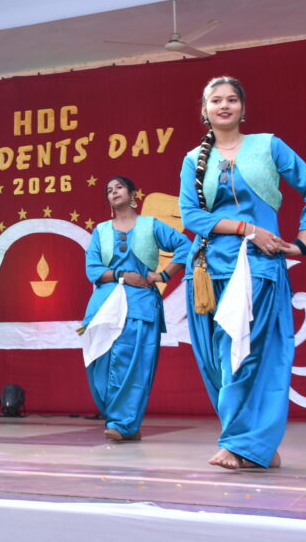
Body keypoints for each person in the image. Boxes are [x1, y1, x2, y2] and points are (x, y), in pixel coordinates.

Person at [179, 76, 306, 469]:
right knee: (216, 359)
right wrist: (247, 228)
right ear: (205, 110)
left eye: (232, 99)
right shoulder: (193, 159)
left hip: (258, 267)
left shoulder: (268, 145)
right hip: (207, 269)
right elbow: (191, 216)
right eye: (216, 100)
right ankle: (256, 444)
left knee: (243, 352)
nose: (224, 105)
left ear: (243, 108)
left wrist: (302, 243)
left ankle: (240, 445)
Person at [82, 177, 191, 442]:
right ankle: (120, 420)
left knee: (133, 365)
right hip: (104, 307)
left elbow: (185, 246)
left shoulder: (150, 225)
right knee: (99, 364)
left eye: (119, 187)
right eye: (109, 190)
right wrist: (122, 274)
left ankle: (124, 423)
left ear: (132, 193)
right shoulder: (101, 231)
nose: (113, 192)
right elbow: (92, 268)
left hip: (139, 304)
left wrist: (163, 275)